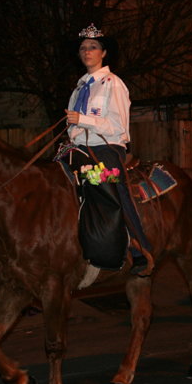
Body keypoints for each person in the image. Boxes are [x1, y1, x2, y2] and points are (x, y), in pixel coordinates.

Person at [65, 24, 152, 275]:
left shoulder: (113, 84)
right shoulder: (80, 86)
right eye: (83, 48)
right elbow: (73, 125)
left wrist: (83, 120)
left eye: (92, 47)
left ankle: (139, 248)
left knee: (110, 185)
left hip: (106, 147)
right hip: (78, 147)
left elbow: (118, 126)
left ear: (103, 53)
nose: (87, 51)